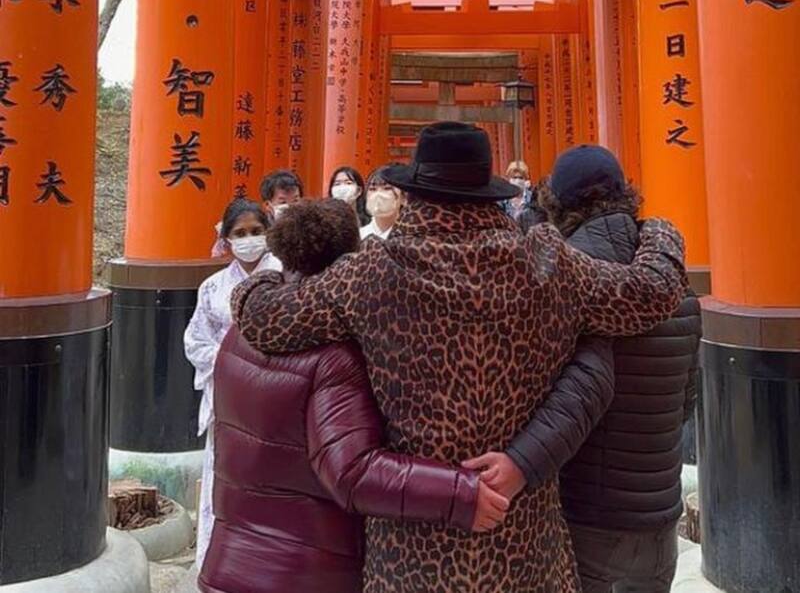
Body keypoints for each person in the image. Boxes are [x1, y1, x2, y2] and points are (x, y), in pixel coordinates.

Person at [232, 122, 688, 593]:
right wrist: (659, 231)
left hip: (412, 550)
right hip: (523, 544)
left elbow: (263, 320)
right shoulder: (547, 262)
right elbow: (652, 294)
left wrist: (263, 276)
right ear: (487, 192)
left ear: (414, 194)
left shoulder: (371, 272)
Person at [200, 198, 507, 593]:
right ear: (352, 264)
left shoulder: (242, 330)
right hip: (305, 572)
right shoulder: (331, 356)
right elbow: (352, 470)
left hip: (229, 560)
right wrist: (460, 493)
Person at [497, 145, 700, 593]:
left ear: (558, 204)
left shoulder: (557, 281)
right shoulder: (678, 289)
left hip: (585, 512)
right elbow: (686, 402)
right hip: (657, 514)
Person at [185, 199, 282, 569]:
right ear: (225, 240)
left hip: (277, 395)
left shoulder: (287, 277)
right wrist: (232, 365)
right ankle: (221, 561)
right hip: (229, 395)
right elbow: (195, 340)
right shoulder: (212, 287)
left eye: (256, 232)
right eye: (240, 234)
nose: (249, 240)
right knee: (225, 477)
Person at [209, 170, 304, 257]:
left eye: (296, 201)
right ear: (268, 205)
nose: (291, 207)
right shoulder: (257, 226)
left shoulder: (310, 227)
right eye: (283, 202)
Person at [501, 161, 547, 233]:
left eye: (521, 178)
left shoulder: (532, 198)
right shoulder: (503, 200)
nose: (517, 181)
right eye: (514, 177)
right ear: (509, 179)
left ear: (526, 179)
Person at [361, 166, 404, 240]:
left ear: (404, 198)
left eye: (387, 188)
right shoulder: (359, 236)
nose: (378, 194)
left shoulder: (409, 237)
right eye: (372, 189)